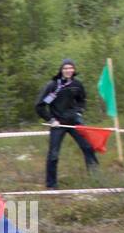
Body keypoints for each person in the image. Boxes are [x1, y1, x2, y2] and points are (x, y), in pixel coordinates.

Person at [36, 58, 99, 189]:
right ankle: (51, 185)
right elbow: (39, 106)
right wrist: (51, 120)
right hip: (58, 125)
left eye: (71, 68)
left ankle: (96, 180)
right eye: (65, 68)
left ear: (74, 70)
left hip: (75, 123)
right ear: (61, 70)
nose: (68, 70)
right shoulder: (53, 86)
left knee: (88, 147)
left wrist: (79, 112)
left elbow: (82, 101)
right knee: (53, 154)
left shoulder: (77, 84)